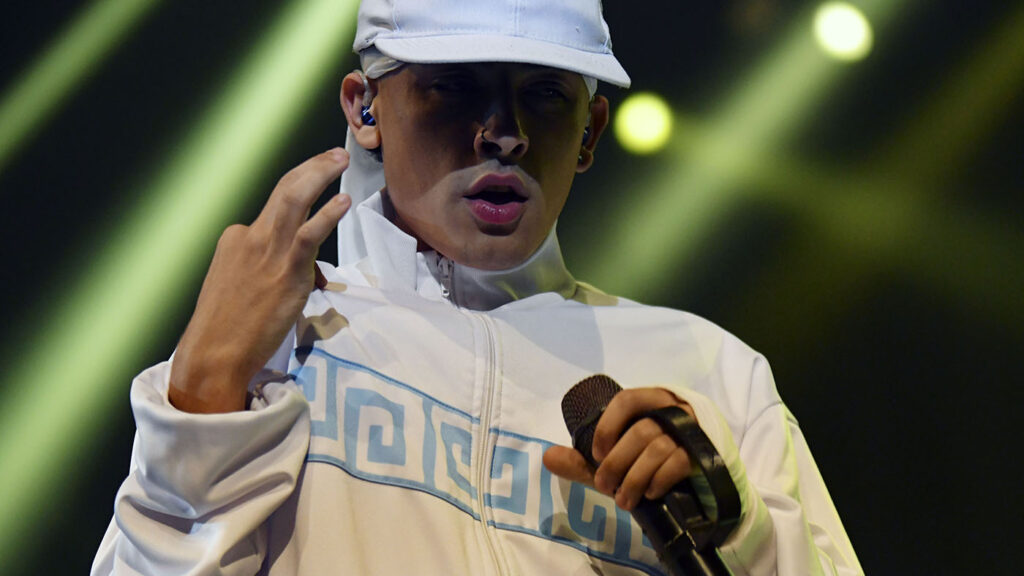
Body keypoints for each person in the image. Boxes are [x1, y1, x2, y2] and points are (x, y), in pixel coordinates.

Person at [92, 0, 862, 574]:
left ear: (591, 131)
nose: (505, 133)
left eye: (546, 94)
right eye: (454, 87)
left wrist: (739, 530)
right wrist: (203, 392)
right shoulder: (276, 342)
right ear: (365, 108)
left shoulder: (711, 371)